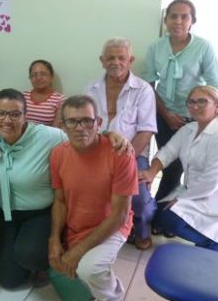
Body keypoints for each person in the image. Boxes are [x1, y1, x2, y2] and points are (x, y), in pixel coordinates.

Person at [0, 89, 130, 289]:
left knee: (30, 256)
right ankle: (12, 254)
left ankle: (36, 262)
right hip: (5, 213)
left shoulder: (49, 137)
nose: (7, 120)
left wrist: (111, 135)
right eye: (1, 114)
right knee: (10, 280)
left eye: (15, 114)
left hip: (38, 212)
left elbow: (84, 134)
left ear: (25, 115)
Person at [143, 0, 218, 203]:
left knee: (179, 167)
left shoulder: (203, 47)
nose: (178, 21)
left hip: (193, 115)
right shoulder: (156, 48)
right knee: (168, 163)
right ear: (166, 20)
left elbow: (216, 84)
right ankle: (162, 208)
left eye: (184, 16)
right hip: (163, 114)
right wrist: (166, 115)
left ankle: (165, 208)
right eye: (173, 16)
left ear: (192, 21)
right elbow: (150, 85)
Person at [49, 95, 138, 301]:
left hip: (113, 225)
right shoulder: (57, 155)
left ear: (98, 123)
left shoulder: (120, 154)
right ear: (62, 125)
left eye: (87, 121)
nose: (80, 127)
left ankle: (113, 296)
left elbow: (120, 215)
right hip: (76, 224)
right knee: (56, 262)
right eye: (72, 121)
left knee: (89, 269)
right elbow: (60, 200)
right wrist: (54, 239)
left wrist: (79, 250)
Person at [139, 85, 218, 253]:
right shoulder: (189, 129)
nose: (195, 106)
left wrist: (182, 198)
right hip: (195, 189)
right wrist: (152, 172)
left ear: (217, 106)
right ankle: (198, 231)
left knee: (168, 218)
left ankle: (212, 242)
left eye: (202, 102)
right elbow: (168, 151)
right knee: (156, 214)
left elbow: (213, 181)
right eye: (191, 102)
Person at [86, 37, 157, 250]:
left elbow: (146, 130)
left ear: (131, 60)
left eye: (121, 58)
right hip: (98, 153)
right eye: (110, 58)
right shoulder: (90, 88)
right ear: (102, 60)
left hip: (133, 154)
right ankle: (105, 230)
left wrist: (126, 159)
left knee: (140, 204)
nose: (115, 62)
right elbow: (86, 126)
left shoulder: (143, 89)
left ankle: (142, 230)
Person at [23, 59, 64, 126]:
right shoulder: (22, 97)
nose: (38, 78)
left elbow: (55, 130)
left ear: (51, 77)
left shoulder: (60, 100)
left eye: (43, 74)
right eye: (34, 75)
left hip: (48, 136)